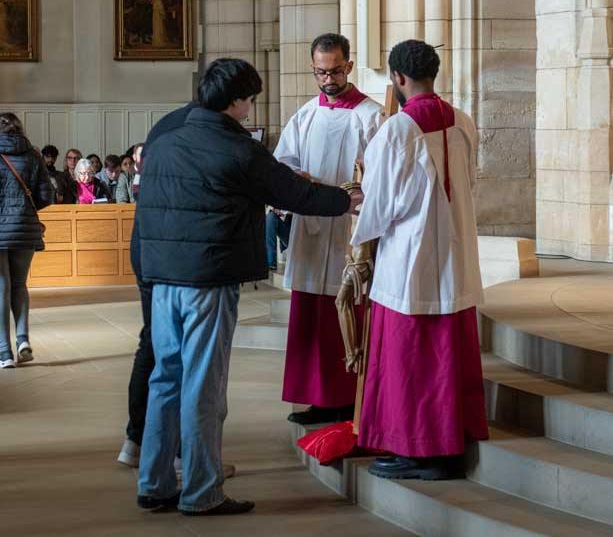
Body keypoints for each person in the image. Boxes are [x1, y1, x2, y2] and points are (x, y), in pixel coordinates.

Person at [135, 58, 360, 515]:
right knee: (204, 385)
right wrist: (346, 198)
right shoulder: (236, 147)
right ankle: (202, 492)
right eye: (250, 99)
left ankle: (154, 483)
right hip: (208, 277)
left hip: (162, 278)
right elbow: (293, 193)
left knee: (166, 377)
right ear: (236, 100)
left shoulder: (164, 140)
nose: (250, 108)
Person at [351, 40, 489, 480]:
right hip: (454, 256)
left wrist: (359, 210)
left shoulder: (397, 130)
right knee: (446, 359)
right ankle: (449, 445)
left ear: (397, 77)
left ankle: (419, 451)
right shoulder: (463, 121)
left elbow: (378, 204)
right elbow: (469, 183)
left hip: (409, 263)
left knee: (411, 362)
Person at [274, 33, 384, 425]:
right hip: (311, 229)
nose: (328, 80)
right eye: (321, 72)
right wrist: (294, 178)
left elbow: (384, 176)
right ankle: (317, 398)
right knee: (311, 316)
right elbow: (283, 162)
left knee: (346, 310)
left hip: (350, 232)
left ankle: (346, 398)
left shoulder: (371, 116)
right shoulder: (305, 115)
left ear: (349, 66)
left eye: (335, 71)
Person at [118, 104, 198, 469]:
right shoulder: (201, 134)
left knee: (151, 343)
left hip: (147, 249)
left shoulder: (165, 127)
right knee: (180, 353)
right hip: (172, 258)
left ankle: (135, 442)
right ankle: (178, 453)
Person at [0, 113, 53, 368]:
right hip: (25, 227)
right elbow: (47, 194)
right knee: (20, 285)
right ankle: (23, 340)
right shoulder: (33, 154)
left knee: (2, 288)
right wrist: (24, 210)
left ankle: (4, 352)